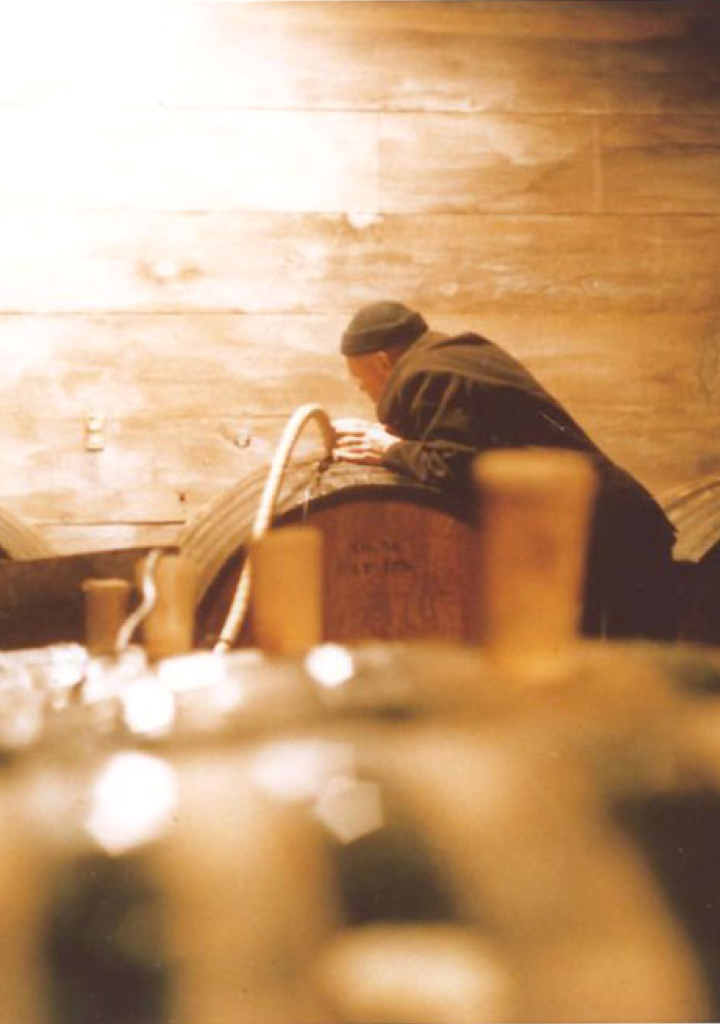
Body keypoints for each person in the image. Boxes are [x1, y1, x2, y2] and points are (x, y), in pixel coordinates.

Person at [332, 300, 678, 639]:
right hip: (609, 521)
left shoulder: (430, 374)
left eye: (359, 380)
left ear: (381, 361)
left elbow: (452, 467)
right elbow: (471, 449)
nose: (364, 392)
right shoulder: (451, 358)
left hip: (607, 531)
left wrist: (391, 450)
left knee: (626, 673)